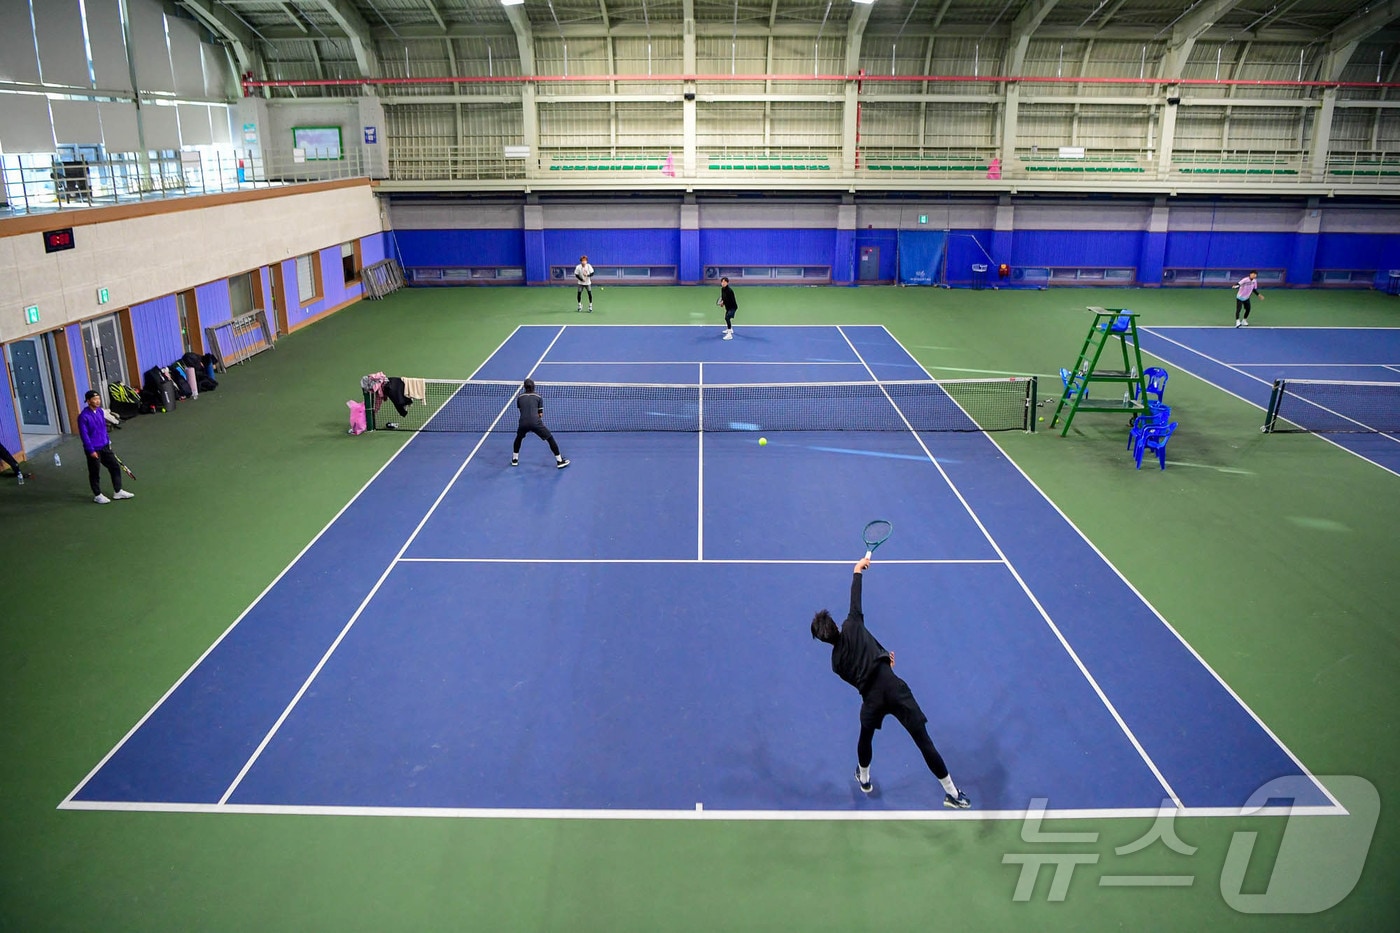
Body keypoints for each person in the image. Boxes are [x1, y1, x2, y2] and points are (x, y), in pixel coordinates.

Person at [810, 556, 971, 808]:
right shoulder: (852, 624)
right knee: (923, 741)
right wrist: (857, 570)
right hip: (894, 687)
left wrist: (882, 660)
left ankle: (863, 779)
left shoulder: (836, 665)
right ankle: (953, 793)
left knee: (865, 736)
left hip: (872, 699)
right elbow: (855, 596)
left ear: (823, 640)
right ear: (834, 625)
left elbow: (861, 676)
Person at [78, 389, 133, 504]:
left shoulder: (100, 412)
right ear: (88, 401)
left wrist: (108, 442)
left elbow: (103, 429)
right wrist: (90, 450)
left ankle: (118, 491)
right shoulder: (83, 416)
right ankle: (97, 495)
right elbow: (84, 435)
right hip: (93, 449)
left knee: (115, 467)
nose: (98, 401)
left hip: (105, 447)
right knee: (95, 472)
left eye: (98, 398)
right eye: (94, 399)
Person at [511, 378, 570, 469]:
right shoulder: (538, 397)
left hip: (523, 422)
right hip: (536, 423)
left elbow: (521, 410)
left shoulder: (519, 397)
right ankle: (559, 461)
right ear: (534, 386)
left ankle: (515, 460)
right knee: (550, 438)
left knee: (519, 438)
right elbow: (540, 414)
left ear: (524, 387)